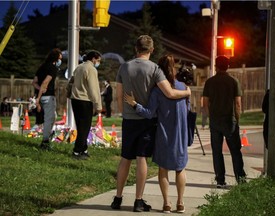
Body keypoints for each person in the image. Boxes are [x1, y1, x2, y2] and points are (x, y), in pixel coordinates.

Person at [111, 35, 190, 212]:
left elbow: (118, 95)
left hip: (129, 119)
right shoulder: (155, 69)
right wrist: (187, 93)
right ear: (152, 50)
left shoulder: (124, 67)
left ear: (135, 48)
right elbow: (169, 93)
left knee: (125, 159)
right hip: (147, 121)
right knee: (141, 159)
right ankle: (138, 201)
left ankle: (117, 198)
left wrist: (126, 113)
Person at [202, 55, 246, 188]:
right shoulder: (233, 81)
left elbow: (205, 103)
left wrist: (210, 116)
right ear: (228, 66)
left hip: (215, 121)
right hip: (229, 120)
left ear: (215, 66)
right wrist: (236, 119)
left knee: (217, 151)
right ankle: (240, 179)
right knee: (235, 151)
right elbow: (237, 104)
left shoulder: (210, 82)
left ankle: (220, 180)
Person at [70, 50, 102, 160]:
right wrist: (98, 105)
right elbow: (94, 89)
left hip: (75, 99)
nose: (98, 63)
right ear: (93, 59)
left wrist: (68, 92)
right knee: (85, 127)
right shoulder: (91, 69)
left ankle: (84, 149)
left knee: (80, 125)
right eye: (98, 60)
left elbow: (71, 81)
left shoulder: (79, 67)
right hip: (85, 100)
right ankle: (77, 151)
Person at [35, 48, 62, 150]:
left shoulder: (41, 67)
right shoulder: (53, 68)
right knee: (49, 119)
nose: (60, 61)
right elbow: (45, 82)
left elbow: (34, 82)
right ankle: (45, 142)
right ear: (56, 58)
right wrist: (40, 96)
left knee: (52, 117)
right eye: (60, 58)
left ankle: (47, 137)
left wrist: (39, 91)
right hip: (48, 97)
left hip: (42, 96)